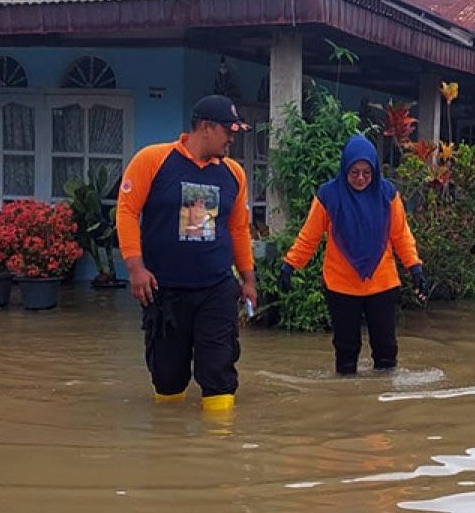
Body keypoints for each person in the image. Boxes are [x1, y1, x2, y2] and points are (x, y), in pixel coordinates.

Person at [116, 95, 258, 412]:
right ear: (206, 127)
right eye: (228, 131)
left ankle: (220, 450)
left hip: (217, 287)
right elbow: (126, 212)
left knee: (219, 370)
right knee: (167, 377)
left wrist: (248, 279)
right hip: (164, 289)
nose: (232, 139)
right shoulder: (152, 160)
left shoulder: (234, 174)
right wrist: (136, 268)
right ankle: (168, 447)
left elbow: (239, 230)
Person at [278, 134, 428, 375]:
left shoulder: (387, 194)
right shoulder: (329, 195)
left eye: (366, 173)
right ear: (345, 168)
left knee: (386, 351)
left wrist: (415, 267)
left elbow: (401, 235)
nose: (360, 178)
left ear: (375, 171)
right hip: (341, 285)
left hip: (383, 283)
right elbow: (310, 236)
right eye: (354, 172)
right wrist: (290, 265)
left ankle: (383, 404)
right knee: (346, 352)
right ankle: (346, 402)